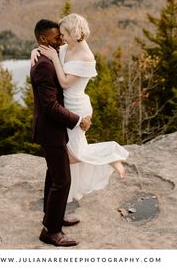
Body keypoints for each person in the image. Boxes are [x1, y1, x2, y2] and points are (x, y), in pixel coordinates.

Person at [31, 13, 129, 203]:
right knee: (71, 152)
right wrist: (35, 51)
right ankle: (60, 200)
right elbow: (49, 48)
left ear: (73, 33)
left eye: (64, 34)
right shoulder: (68, 47)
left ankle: (111, 155)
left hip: (76, 106)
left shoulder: (86, 56)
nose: (61, 38)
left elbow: (66, 83)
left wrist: (54, 58)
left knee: (74, 155)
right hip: (67, 105)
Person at [30, 19, 91, 247]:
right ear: (44, 40)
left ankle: (52, 216)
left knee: (54, 174)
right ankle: (51, 231)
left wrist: (35, 50)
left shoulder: (47, 56)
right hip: (50, 130)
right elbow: (49, 106)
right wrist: (77, 120)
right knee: (62, 180)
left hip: (53, 129)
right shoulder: (44, 65)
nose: (61, 40)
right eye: (57, 37)